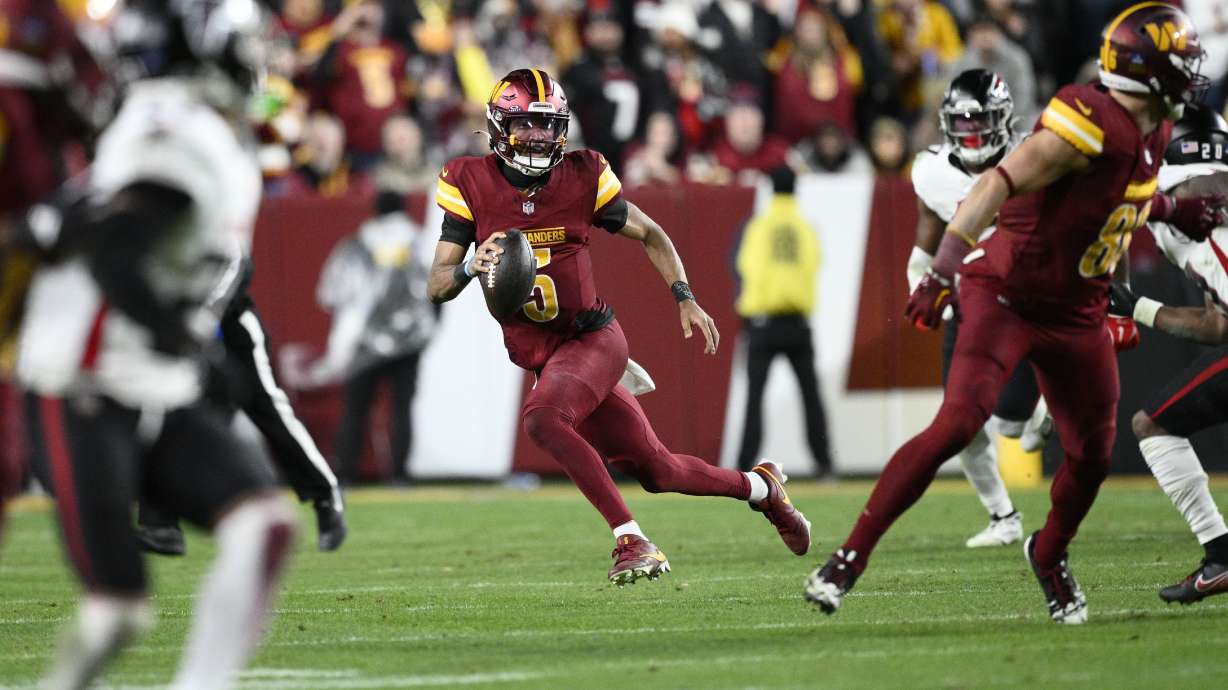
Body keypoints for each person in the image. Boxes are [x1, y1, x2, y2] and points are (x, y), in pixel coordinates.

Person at [804, 2, 1221, 624]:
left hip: (1074, 307)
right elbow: (996, 184)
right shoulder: (1089, 116)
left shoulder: (1154, 128)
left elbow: (1111, 197)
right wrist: (942, 268)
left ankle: (1048, 553)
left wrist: (1165, 211)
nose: (1191, 67)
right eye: (1180, 58)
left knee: (1091, 457)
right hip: (1006, 291)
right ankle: (848, 559)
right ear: (1148, 68)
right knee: (959, 422)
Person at [427, 68, 812, 585]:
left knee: (543, 419)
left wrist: (685, 296)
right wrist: (473, 266)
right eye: (526, 125)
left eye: (547, 125)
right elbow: (438, 283)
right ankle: (763, 488)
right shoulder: (468, 181)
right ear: (498, 126)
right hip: (547, 354)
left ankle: (632, 539)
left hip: (592, 337)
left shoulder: (583, 174)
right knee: (658, 471)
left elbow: (652, 234)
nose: (539, 137)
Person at [17, 3, 297, 687]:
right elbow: (116, 251)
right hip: (89, 379)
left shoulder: (182, 122)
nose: (252, 53)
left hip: (147, 375)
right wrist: (189, 344)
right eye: (241, 39)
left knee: (264, 527)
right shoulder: (174, 128)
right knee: (116, 615)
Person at [907, 69, 1051, 549]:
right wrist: (922, 287)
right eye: (962, 121)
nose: (971, 130)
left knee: (1010, 422)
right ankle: (1002, 516)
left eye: (980, 119)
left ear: (1004, 118)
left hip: (1029, 299)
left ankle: (1045, 404)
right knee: (958, 423)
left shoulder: (1035, 154)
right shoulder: (931, 171)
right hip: (970, 300)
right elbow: (927, 238)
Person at [135, 259, 348, 556]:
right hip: (182, 335)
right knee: (166, 411)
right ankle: (161, 525)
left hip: (233, 329)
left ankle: (326, 493)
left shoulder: (206, 220)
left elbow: (237, 262)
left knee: (269, 410)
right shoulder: (150, 232)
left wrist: (203, 315)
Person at [1108, 103, 1228, 604]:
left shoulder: (1196, 186)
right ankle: (1220, 557)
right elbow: (1217, 324)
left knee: (1151, 424)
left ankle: (1222, 556)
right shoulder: (1186, 222)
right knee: (1153, 423)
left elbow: (1208, 188)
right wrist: (1135, 307)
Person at [290, 190, 437, 484]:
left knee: (355, 409)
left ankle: (346, 474)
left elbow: (328, 294)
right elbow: (438, 289)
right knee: (401, 408)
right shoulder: (419, 242)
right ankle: (399, 475)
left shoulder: (355, 245)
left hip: (363, 344)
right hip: (407, 343)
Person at [733, 166, 834, 479]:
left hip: (763, 322)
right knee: (811, 396)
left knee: (755, 396)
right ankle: (825, 464)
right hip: (798, 323)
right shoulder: (806, 228)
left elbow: (744, 265)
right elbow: (815, 262)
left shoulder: (758, 227)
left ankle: (743, 465)